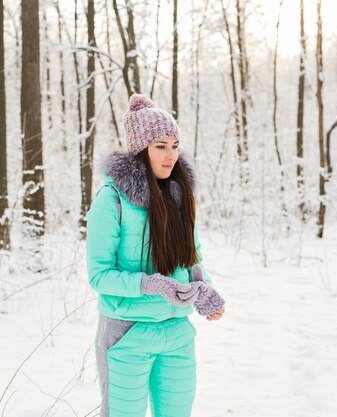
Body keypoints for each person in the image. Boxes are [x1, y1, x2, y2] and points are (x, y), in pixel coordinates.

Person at [85, 93, 226, 417]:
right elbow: (99, 276)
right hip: (127, 333)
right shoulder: (112, 201)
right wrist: (150, 284)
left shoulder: (180, 197)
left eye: (175, 145)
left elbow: (192, 259)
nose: (171, 155)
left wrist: (205, 289)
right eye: (160, 145)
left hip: (176, 332)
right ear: (141, 149)